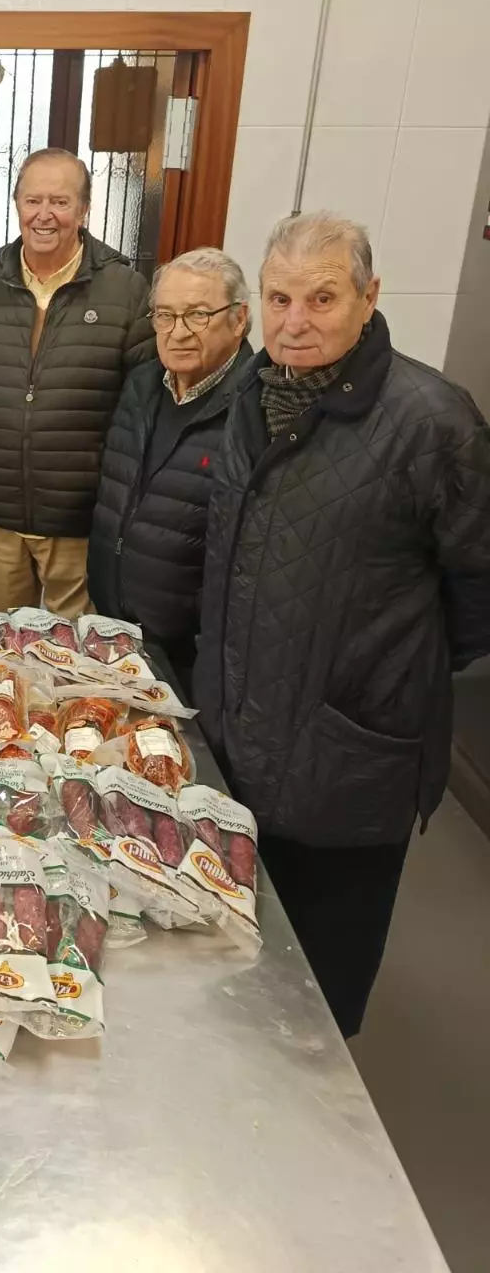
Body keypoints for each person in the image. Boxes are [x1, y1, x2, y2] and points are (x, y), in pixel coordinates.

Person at [197, 212, 490, 1038]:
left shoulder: (434, 422)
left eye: (322, 298)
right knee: (234, 965)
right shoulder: (250, 398)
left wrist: (388, 676)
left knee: (316, 1005)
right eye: (280, 297)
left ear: (370, 297)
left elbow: (477, 590)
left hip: (348, 759)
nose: (297, 322)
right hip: (241, 737)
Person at [0, 146, 154, 618]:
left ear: (84, 210)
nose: (45, 215)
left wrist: (109, 482)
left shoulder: (125, 290)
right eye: (32, 200)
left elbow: (141, 405)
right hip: (0, 512)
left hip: (80, 518)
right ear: (17, 204)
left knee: (74, 665)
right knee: (0, 655)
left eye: (60, 202)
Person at [87, 247, 252, 695]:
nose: (178, 333)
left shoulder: (256, 408)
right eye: (165, 316)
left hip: (192, 649)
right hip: (117, 623)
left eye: (198, 315)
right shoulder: (143, 383)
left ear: (239, 319)